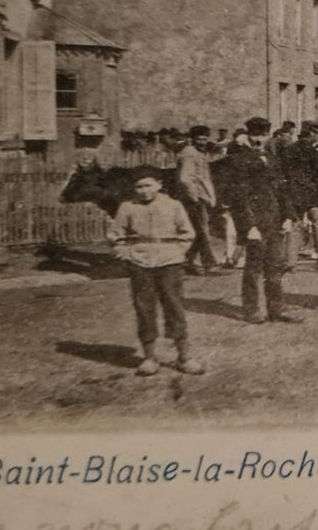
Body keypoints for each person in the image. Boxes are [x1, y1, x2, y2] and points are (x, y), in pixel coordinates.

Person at [108, 171, 200, 376]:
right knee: (144, 307)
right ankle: (149, 358)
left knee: (174, 306)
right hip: (140, 262)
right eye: (139, 187)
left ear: (159, 184)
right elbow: (116, 235)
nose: (144, 191)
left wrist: (177, 252)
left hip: (169, 262)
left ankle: (185, 357)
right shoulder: (127, 207)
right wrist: (125, 254)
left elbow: (187, 233)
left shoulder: (173, 205)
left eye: (148, 185)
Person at [218, 116, 299, 324]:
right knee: (254, 268)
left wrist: (288, 216)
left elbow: (283, 190)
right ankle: (252, 309)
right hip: (255, 222)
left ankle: (276, 309)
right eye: (255, 135)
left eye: (262, 135)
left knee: (275, 267)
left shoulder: (273, 159)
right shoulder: (238, 160)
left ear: (267, 136)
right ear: (248, 135)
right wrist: (249, 226)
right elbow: (239, 197)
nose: (258, 140)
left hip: (274, 220)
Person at [281, 122, 318, 271]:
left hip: (295, 193)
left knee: (295, 225)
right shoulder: (312, 151)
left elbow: (284, 172)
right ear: (311, 133)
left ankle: (291, 263)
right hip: (312, 193)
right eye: (317, 133)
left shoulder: (289, 150)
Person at [176, 125, 220, 274]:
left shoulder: (201, 153)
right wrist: (194, 197)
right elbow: (185, 178)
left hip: (202, 197)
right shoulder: (189, 153)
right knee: (203, 231)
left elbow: (204, 178)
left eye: (205, 139)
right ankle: (210, 264)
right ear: (192, 139)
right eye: (199, 139)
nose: (203, 142)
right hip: (194, 199)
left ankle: (187, 261)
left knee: (198, 230)